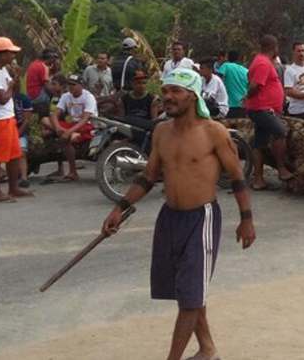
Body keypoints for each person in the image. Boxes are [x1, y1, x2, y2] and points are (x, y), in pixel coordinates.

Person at [101, 68, 255, 360]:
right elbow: (148, 176)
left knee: (190, 297)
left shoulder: (214, 132)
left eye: (176, 91)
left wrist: (246, 219)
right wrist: (119, 209)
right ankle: (208, 350)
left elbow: (237, 178)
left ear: (192, 95)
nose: (167, 96)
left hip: (202, 219)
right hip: (170, 218)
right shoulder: (161, 132)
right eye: (166, 90)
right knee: (187, 291)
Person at [0, 37, 32, 202]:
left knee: (14, 155)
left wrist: (16, 78)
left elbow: (14, 90)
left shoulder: (2, 70)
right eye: (10, 53)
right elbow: (2, 98)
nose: (13, 56)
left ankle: (13, 188)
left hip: (7, 117)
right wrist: (11, 85)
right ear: (1, 54)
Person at [245, 35, 294, 189]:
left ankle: (258, 179)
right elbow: (254, 86)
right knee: (281, 132)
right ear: (274, 48)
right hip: (262, 108)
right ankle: (281, 168)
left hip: (261, 107)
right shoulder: (263, 63)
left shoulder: (261, 61)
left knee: (259, 143)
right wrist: (248, 97)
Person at [50, 74, 98, 181]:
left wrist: (68, 132)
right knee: (45, 120)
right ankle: (69, 134)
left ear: (81, 85)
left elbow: (85, 119)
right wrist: (57, 127)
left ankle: (73, 171)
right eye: (69, 84)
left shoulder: (89, 97)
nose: (71, 87)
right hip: (73, 124)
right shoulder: (66, 96)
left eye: (74, 84)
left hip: (88, 126)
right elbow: (54, 114)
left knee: (67, 137)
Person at [218, 50, 249, 119]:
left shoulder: (226, 66)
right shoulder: (245, 70)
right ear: (238, 58)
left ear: (228, 57)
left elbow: (218, 79)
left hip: (230, 104)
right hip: (243, 105)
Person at [26, 48, 59, 113]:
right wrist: (58, 94)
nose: (54, 61)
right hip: (36, 97)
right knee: (53, 90)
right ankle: (46, 113)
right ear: (51, 58)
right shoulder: (43, 67)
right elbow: (47, 87)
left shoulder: (35, 63)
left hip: (29, 94)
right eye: (54, 59)